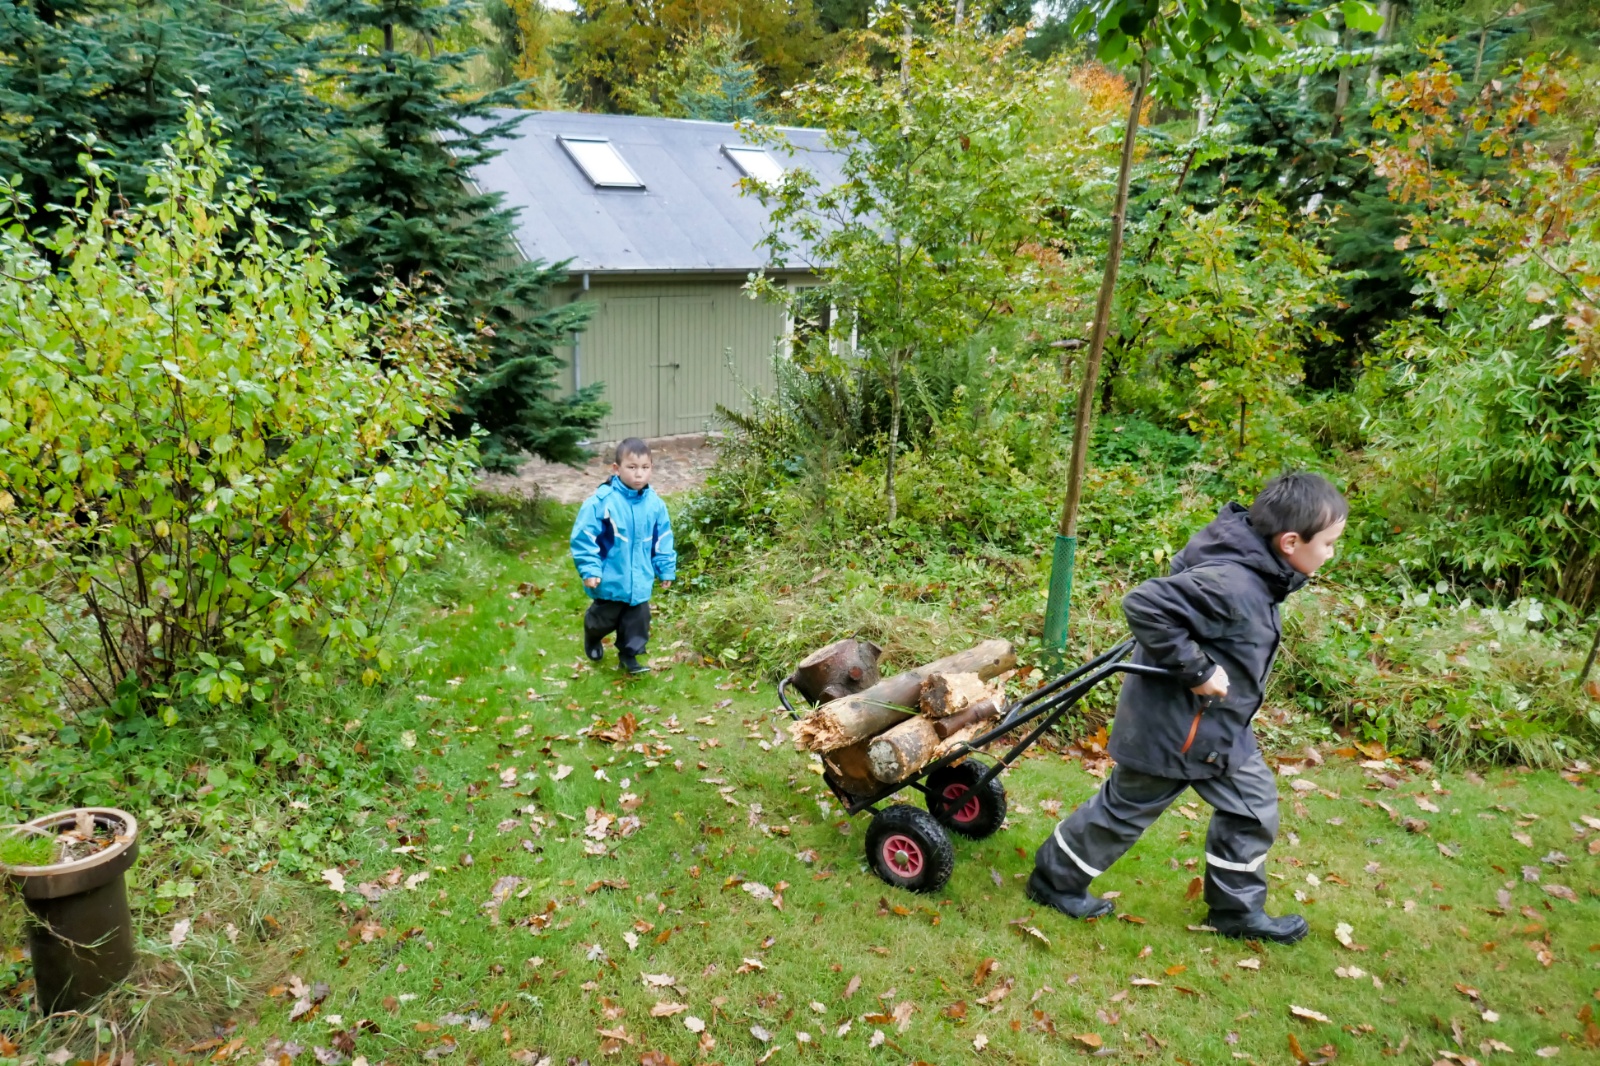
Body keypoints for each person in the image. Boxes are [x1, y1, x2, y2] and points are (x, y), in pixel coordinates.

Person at [1027, 472, 1348, 945]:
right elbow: (1145, 604)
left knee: (1253, 810)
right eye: (1328, 544)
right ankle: (1053, 881)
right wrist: (1197, 670)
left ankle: (1236, 911)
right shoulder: (1232, 583)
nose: (1331, 553)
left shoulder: (1260, 574)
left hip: (1219, 731)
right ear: (1290, 541)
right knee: (1124, 810)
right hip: (1174, 731)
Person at [569, 438, 676, 675]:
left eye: (645, 468)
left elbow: (663, 538)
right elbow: (584, 537)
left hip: (640, 578)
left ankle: (630, 656)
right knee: (604, 619)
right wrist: (591, 570)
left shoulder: (655, 505)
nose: (639, 474)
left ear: (651, 469)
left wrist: (665, 568)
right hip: (610, 577)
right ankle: (592, 633)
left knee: (638, 619)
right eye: (632, 467)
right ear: (617, 469)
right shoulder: (602, 502)